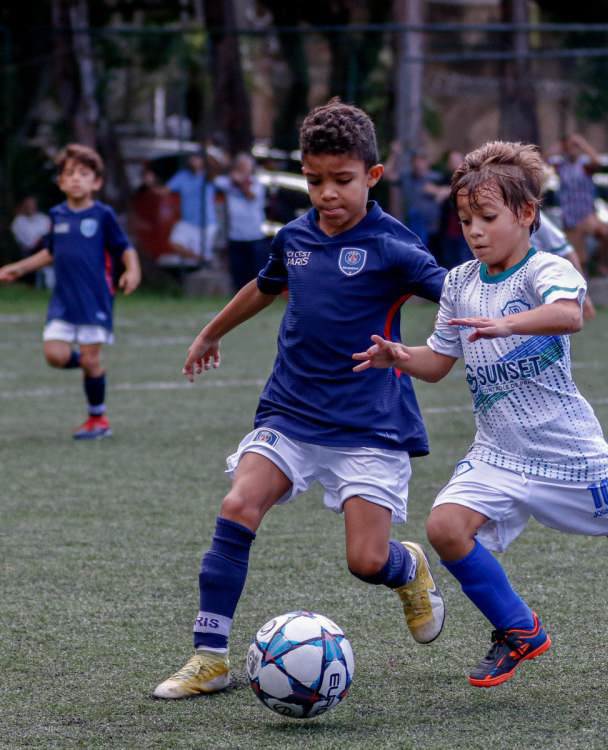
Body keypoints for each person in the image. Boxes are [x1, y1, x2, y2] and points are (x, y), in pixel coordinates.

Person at [351, 140, 608, 688]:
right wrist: (400, 357)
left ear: (526, 215)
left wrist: (510, 325)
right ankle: (518, 629)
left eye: (487, 218)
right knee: (444, 528)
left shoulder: (546, 269)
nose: (474, 231)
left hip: (568, 451)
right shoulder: (458, 283)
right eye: (466, 219)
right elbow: (438, 362)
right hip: (498, 452)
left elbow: (570, 315)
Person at [153, 99, 448, 700]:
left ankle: (407, 568)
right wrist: (211, 331)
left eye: (342, 181)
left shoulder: (392, 245)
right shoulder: (294, 236)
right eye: (314, 181)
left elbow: (453, 292)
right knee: (239, 505)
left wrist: (506, 316)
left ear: (372, 175)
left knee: (365, 561)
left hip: (369, 423)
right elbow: (265, 287)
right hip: (290, 412)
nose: (327, 194)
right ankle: (209, 657)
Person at [0, 144, 141, 439]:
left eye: (83, 174)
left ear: (96, 182)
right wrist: (19, 268)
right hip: (62, 300)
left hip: (95, 298)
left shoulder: (103, 215)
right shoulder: (57, 215)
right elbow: (50, 252)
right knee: (55, 356)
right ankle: (92, 369)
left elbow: (124, 247)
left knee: (90, 357)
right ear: (60, 182)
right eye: (69, 174)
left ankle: (98, 420)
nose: (76, 179)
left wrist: (133, 270)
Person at [550, 133, 608, 276]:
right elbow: (542, 162)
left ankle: (601, 262)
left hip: (587, 216)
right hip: (570, 220)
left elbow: (597, 161)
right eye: (570, 147)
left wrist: (582, 143)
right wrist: (559, 147)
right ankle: (584, 287)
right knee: (578, 262)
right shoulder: (561, 167)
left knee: (604, 233)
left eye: (575, 147)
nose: (573, 150)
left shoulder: (584, 167)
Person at [214, 153, 269, 290]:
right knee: (239, 275)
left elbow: (251, 196)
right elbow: (213, 179)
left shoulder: (257, 182)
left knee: (258, 274)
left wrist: (240, 183)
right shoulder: (228, 182)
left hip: (255, 236)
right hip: (236, 236)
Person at [385, 141, 444, 256]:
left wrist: (438, 191)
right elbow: (387, 175)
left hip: (433, 230)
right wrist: (394, 155)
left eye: (421, 160)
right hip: (412, 228)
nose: (418, 164)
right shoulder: (407, 177)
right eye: (415, 161)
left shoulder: (436, 177)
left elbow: (453, 188)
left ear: (426, 162)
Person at [165, 151, 219, 268]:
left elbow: (217, 170)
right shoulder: (183, 176)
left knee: (203, 256)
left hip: (206, 223)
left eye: (198, 158)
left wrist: (208, 152)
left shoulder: (208, 176)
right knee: (175, 243)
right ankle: (201, 259)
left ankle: (204, 262)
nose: (194, 161)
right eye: (192, 158)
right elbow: (165, 190)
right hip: (188, 222)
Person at [10, 195, 53, 288]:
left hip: (47, 245)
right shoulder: (19, 221)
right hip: (32, 250)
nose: (30, 207)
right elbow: (31, 241)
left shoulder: (42, 218)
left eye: (32, 204)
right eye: (28, 205)